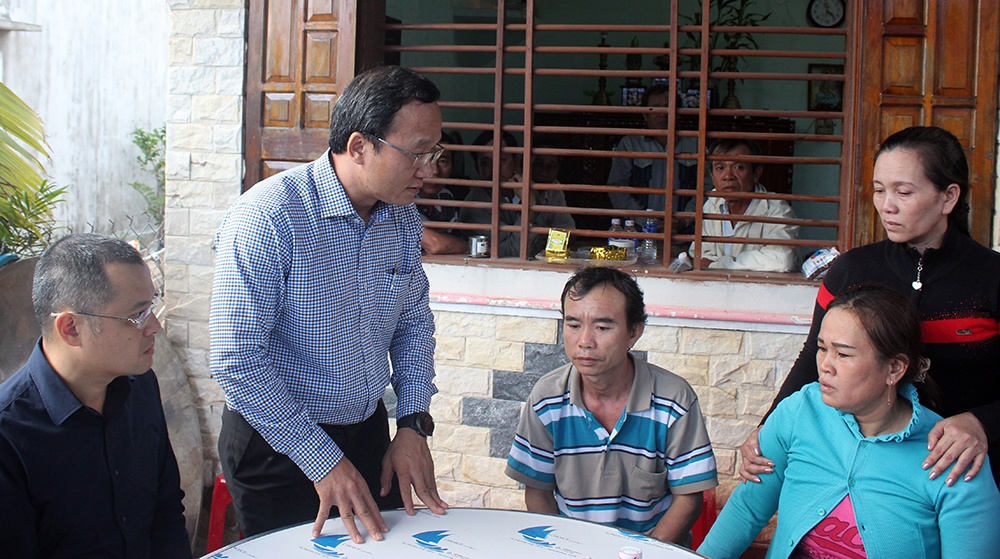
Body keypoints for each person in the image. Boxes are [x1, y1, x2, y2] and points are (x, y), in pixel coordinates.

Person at [211, 65, 448, 544]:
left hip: (364, 432)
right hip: (278, 443)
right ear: (360, 146)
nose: (431, 170)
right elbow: (236, 359)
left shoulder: (399, 216)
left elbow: (413, 325)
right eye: (418, 153)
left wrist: (412, 424)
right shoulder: (269, 217)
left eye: (435, 152)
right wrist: (322, 460)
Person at [740, 126, 1000, 487]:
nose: (886, 205)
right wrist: (767, 427)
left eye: (903, 192)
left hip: (966, 474)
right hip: (860, 470)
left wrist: (981, 422)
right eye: (879, 190)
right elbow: (811, 361)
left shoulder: (991, 277)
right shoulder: (852, 271)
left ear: (948, 197)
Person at [699, 285, 1000, 558]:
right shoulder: (800, 411)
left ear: (894, 368)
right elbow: (747, 509)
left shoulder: (951, 456)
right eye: (821, 348)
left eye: (843, 354)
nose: (825, 366)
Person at [0, 233, 190, 558]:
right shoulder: (9, 436)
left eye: (152, 306)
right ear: (71, 328)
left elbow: (166, 512)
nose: (155, 326)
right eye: (137, 315)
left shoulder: (140, 387)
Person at [505, 267, 718, 546]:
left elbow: (688, 498)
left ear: (634, 332)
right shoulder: (546, 399)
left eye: (602, 327)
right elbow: (538, 492)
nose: (585, 341)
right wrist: (564, 549)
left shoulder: (673, 400)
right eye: (573, 325)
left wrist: (643, 552)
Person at [688, 139, 799, 272]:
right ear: (711, 175)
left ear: (756, 173)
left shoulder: (776, 209)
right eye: (720, 168)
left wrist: (720, 264)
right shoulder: (713, 204)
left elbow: (782, 260)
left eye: (739, 167)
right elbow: (700, 254)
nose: (728, 176)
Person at [459, 130, 575, 257]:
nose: (495, 168)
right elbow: (512, 253)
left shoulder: (547, 188)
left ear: (517, 162)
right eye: (485, 163)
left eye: (502, 160)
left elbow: (567, 234)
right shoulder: (475, 204)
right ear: (477, 169)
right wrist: (530, 206)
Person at [607, 83, 698, 228]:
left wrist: (684, 219)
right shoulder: (630, 144)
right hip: (637, 230)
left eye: (668, 107)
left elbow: (706, 189)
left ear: (678, 113)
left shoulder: (695, 145)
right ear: (645, 114)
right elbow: (617, 188)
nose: (663, 113)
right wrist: (645, 219)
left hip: (684, 231)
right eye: (655, 108)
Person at [417, 130, 467, 255]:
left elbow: (453, 242)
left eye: (443, 161)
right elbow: (436, 245)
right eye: (428, 159)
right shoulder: (399, 199)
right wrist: (477, 247)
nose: (435, 171)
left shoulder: (445, 196)